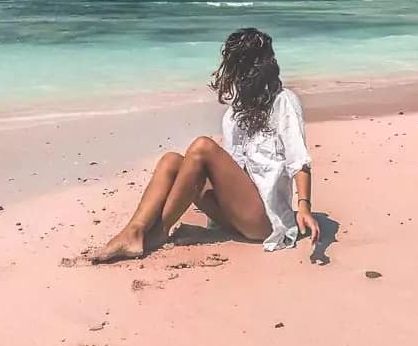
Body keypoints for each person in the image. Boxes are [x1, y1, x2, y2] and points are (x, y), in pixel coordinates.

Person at [91, 28, 320, 262]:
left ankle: (159, 232)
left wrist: (304, 206)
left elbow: (298, 159)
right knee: (171, 161)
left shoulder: (283, 102)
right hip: (233, 213)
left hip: (263, 219)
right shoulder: (234, 114)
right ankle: (135, 231)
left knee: (202, 147)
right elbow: (231, 170)